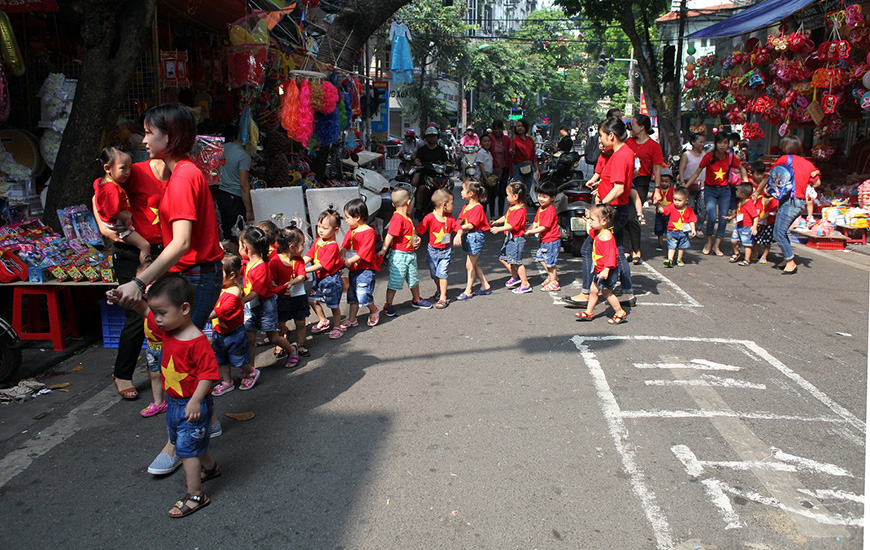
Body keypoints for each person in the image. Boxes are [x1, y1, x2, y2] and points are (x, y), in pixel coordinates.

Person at [108, 104, 224, 477]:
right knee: (177, 349)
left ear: (170, 136)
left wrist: (140, 282)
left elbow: (181, 242)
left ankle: (179, 443)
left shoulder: (184, 175)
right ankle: (206, 423)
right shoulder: (182, 174)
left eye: (149, 132)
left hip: (198, 276)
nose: (143, 139)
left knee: (180, 354)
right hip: (192, 275)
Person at [133, 275, 220, 518]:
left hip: (191, 404)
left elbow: (208, 374)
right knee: (190, 442)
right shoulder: (169, 328)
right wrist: (124, 298)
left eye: (161, 313)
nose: (156, 319)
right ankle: (211, 468)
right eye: (155, 313)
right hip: (174, 403)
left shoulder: (196, 341)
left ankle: (196, 494)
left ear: (184, 309)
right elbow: (143, 311)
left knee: (186, 450)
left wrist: (195, 400)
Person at [95, 157, 169, 400]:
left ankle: (169, 369)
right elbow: (100, 190)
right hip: (130, 253)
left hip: (165, 251)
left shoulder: (183, 171)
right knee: (138, 314)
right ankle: (122, 373)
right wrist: (102, 223)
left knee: (165, 309)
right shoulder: (134, 171)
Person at [580, 117, 636, 307]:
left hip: (614, 210)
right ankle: (627, 292)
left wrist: (600, 205)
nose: (600, 141)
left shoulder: (621, 156)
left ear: (611, 136)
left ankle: (587, 292)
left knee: (588, 249)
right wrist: (600, 185)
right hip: (616, 208)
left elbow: (619, 188)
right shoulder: (623, 152)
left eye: (602, 136)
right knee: (618, 251)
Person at [239, 226, 298, 362]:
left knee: (273, 337)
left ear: (246, 247)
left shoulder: (261, 267)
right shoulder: (246, 263)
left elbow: (257, 291)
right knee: (250, 338)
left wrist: (241, 301)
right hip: (251, 305)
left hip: (264, 306)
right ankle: (251, 369)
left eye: (239, 244)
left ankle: (292, 350)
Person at [685, 132, 748, 256]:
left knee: (724, 218)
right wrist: (686, 187)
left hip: (725, 191)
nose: (722, 145)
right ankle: (708, 242)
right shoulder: (708, 156)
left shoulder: (730, 157)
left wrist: (747, 185)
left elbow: (742, 168)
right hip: (710, 190)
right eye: (720, 143)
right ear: (715, 143)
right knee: (712, 217)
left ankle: (717, 245)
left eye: (725, 143)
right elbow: (697, 172)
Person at [766, 134, 821, 274]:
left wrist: (762, 190)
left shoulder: (784, 159)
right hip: (798, 202)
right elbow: (817, 183)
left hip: (789, 200)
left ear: (785, 146)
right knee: (781, 231)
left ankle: (790, 261)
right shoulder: (808, 164)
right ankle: (786, 258)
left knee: (779, 232)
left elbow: (772, 175)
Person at [209, 254, 258, 395]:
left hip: (234, 333)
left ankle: (251, 372)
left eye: (219, 273)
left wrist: (200, 317)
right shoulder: (221, 287)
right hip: (219, 332)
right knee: (222, 358)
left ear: (231, 275)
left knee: (238, 359)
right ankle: (226, 382)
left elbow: (219, 311)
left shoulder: (234, 293)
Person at [92, 146, 151, 264]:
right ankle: (146, 271)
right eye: (123, 168)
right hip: (118, 226)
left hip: (116, 223)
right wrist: (125, 217)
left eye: (129, 167)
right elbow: (111, 211)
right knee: (145, 245)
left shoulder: (103, 182)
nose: (128, 172)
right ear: (107, 168)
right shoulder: (111, 189)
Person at [379, 189, 431, 316]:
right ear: (409, 202)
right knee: (395, 281)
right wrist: (383, 250)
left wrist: (416, 239)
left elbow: (410, 233)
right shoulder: (397, 219)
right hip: (399, 256)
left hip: (410, 254)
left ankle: (417, 299)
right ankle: (388, 304)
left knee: (414, 278)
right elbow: (390, 235)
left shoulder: (406, 217)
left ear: (393, 204)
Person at [574, 205, 627, 325]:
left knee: (606, 292)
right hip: (598, 268)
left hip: (606, 270)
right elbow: (589, 232)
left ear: (603, 221)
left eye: (593, 220)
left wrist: (606, 269)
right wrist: (588, 220)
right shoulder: (599, 232)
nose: (591, 222)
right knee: (593, 290)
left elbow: (611, 255)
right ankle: (589, 311)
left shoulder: (607, 236)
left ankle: (619, 312)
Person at [624, 114, 664, 264]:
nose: (631, 127)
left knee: (633, 215)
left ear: (642, 127)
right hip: (627, 181)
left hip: (641, 183)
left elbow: (657, 169)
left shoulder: (654, 146)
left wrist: (658, 189)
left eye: (633, 124)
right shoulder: (628, 142)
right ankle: (627, 249)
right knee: (625, 214)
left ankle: (636, 249)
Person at [416, 189, 462, 309]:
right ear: (444, 205)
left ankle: (443, 297)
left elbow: (459, 228)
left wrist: (458, 235)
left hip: (445, 251)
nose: (453, 205)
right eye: (452, 202)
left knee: (442, 274)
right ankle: (439, 289)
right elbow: (418, 230)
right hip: (432, 251)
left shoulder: (450, 219)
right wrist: (416, 238)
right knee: (434, 274)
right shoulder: (429, 217)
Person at [303, 210, 346, 339]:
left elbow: (322, 264)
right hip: (319, 278)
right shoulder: (318, 241)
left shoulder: (332, 246)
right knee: (312, 300)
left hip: (331, 279)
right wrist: (299, 263)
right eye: (319, 227)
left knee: (333, 305)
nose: (321, 230)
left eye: (325, 228)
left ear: (336, 229)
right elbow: (310, 255)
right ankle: (323, 320)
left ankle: (337, 326)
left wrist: (303, 270)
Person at [341, 199, 382, 328]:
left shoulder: (368, 231)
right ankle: (352, 318)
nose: (346, 220)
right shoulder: (351, 231)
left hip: (365, 269)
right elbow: (344, 245)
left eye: (348, 217)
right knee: (352, 295)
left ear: (357, 217)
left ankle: (374, 309)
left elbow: (364, 252)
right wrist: (342, 254)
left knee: (363, 293)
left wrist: (348, 261)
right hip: (353, 269)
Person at [271, 224, 309, 361]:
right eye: (302, 244)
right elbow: (271, 280)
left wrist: (293, 282)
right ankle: (281, 345)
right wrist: (277, 287)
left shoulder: (299, 260)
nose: (304, 246)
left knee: (300, 321)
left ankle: (301, 344)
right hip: (282, 298)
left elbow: (302, 275)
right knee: (280, 323)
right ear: (292, 247)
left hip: (298, 296)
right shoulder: (275, 261)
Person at [490, 181, 532, 294]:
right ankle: (515, 277)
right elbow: (506, 217)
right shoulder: (512, 207)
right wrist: (497, 222)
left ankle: (525, 284)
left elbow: (512, 225)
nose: (507, 197)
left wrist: (498, 229)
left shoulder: (520, 211)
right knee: (503, 258)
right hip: (510, 238)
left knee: (517, 262)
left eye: (508, 195)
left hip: (516, 239)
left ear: (515, 196)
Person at [455, 180, 492, 300]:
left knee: (469, 265)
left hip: (475, 236)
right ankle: (485, 284)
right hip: (469, 236)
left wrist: (457, 228)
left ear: (471, 193)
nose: (461, 192)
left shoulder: (477, 208)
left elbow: (471, 225)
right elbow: (460, 219)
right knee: (473, 263)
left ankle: (468, 290)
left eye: (463, 190)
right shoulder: (466, 207)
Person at [215, 123, 253, 241]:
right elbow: (244, 184)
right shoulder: (242, 155)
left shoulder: (220, 150)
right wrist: (249, 210)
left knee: (227, 233)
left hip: (221, 195)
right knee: (239, 235)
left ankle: (230, 257)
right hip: (235, 197)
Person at [527, 181, 561, 292]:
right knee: (541, 258)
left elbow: (544, 227)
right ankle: (551, 276)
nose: (541, 199)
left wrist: (530, 232)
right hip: (544, 240)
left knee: (550, 263)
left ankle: (554, 281)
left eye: (544, 197)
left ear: (552, 198)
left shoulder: (550, 210)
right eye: (539, 196)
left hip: (551, 240)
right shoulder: (541, 208)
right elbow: (536, 222)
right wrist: (527, 230)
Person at [412, 126, 450, 220]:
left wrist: (450, 166)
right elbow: (417, 159)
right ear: (426, 137)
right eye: (430, 136)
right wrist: (419, 164)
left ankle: (448, 206)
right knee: (421, 188)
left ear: (437, 137)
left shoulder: (441, 149)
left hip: (439, 175)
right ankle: (418, 208)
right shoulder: (422, 149)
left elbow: (446, 161)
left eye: (434, 136)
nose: (432, 138)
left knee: (450, 184)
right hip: (426, 174)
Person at [660, 187, 697, 268]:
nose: (676, 202)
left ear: (686, 200)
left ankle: (679, 259)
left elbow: (692, 220)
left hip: (683, 231)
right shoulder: (671, 206)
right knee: (671, 246)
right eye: (675, 199)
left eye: (679, 200)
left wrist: (693, 229)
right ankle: (670, 259)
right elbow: (663, 211)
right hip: (672, 231)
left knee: (681, 246)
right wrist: (658, 206)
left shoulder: (689, 210)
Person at [678, 132, 707, 236]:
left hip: (703, 185)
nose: (702, 144)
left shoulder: (705, 154)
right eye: (700, 142)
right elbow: (681, 169)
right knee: (689, 207)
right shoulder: (687, 155)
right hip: (688, 185)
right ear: (693, 142)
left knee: (702, 208)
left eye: (704, 142)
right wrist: (682, 182)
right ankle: (689, 228)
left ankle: (698, 228)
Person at [728, 183, 759, 266]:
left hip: (747, 226)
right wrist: (731, 217)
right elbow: (739, 213)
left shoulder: (749, 204)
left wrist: (754, 226)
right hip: (739, 225)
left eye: (738, 190)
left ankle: (747, 259)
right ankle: (737, 253)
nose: (736, 191)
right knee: (733, 240)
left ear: (742, 194)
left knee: (747, 244)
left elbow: (755, 216)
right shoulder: (740, 202)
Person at [488, 119, 513, 218]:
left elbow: (509, 155)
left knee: (502, 192)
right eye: (495, 129)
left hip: (504, 169)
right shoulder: (489, 138)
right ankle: (492, 215)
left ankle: (500, 214)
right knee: (492, 192)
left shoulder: (506, 139)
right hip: (492, 170)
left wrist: (510, 170)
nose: (497, 131)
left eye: (499, 129)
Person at [509, 118, 539, 192]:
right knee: (519, 190)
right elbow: (511, 151)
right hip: (518, 167)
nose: (519, 128)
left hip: (529, 167)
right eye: (518, 126)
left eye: (522, 126)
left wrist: (537, 169)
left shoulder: (530, 140)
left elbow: (533, 155)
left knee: (526, 191)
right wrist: (511, 152)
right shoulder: (514, 139)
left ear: (525, 127)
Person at [753, 186, 778, 265]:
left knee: (767, 241)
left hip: (769, 223)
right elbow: (757, 209)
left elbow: (769, 213)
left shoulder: (774, 200)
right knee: (757, 239)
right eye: (766, 188)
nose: (768, 191)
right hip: (759, 223)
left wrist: (761, 218)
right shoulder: (760, 198)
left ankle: (764, 255)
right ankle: (755, 253)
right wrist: (757, 219)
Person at [652, 168, 675, 251]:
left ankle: (671, 242)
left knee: (669, 229)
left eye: (666, 181)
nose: (664, 183)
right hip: (659, 213)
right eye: (662, 181)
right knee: (659, 228)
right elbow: (653, 199)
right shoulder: (658, 191)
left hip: (670, 213)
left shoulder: (673, 190)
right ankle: (660, 242)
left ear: (670, 182)